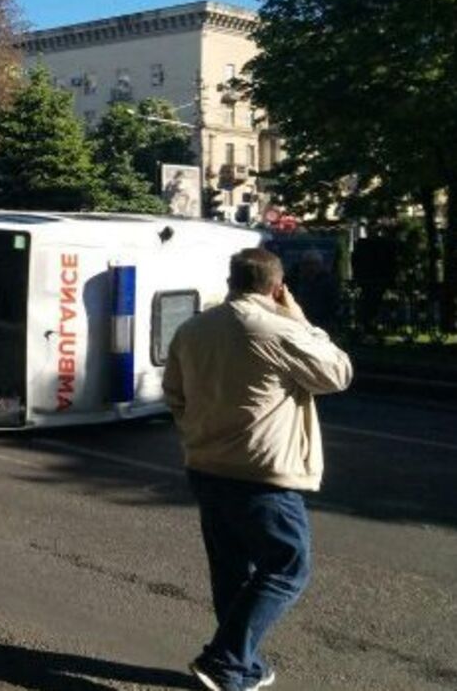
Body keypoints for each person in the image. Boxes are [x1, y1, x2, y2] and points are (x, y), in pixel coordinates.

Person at [164, 247, 353, 691]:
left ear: (230, 280)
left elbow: (174, 393)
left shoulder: (192, 328)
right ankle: (225, 661)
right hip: (261, 474)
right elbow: (337, 373)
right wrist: (300, 320)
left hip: (206, 467)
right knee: (288, 565)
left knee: (231, 571)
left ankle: (242, 669)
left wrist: (197, 433)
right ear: (277, 286)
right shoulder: (275, 328)